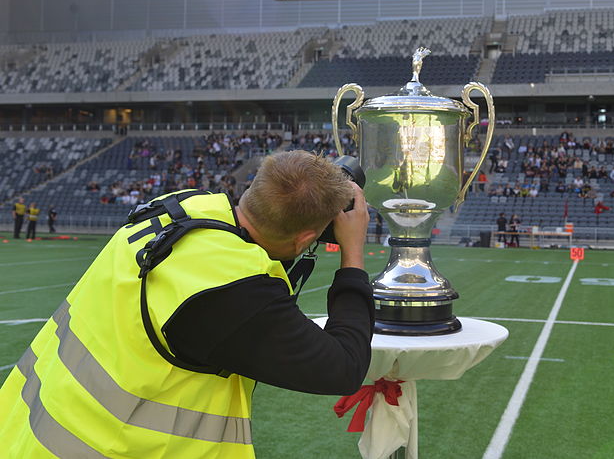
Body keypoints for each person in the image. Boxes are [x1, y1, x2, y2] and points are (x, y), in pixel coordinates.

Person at [0, 151, 374, 458]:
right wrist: (353, 253)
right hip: (109, 449)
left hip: (30, 430)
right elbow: (343, 367)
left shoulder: (177, 211)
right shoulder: (232, 292)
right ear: (306, 238)